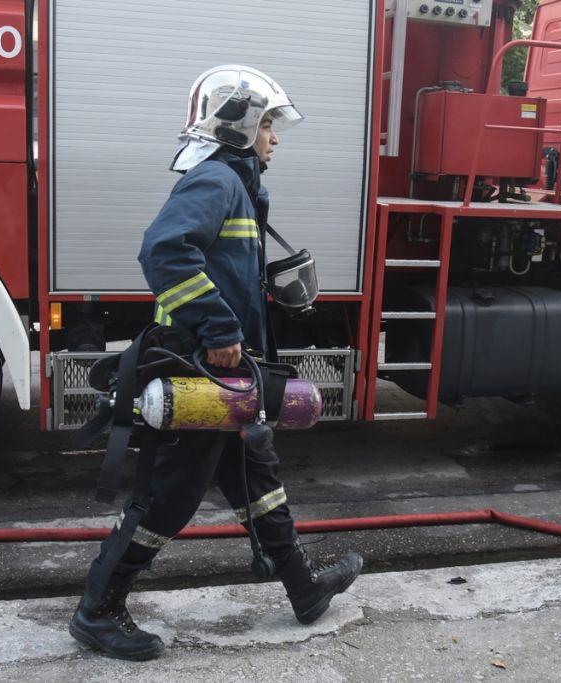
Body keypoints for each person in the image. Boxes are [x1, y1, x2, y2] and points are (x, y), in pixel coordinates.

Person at [69, 65, 363, 661]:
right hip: (196, 366)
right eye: (269, 125)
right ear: (240, 125)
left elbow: (220, 270)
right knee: (169, 497)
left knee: (258, 480)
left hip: (225, 370)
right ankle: (97, 611)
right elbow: (163, 252)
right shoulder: (216, 180)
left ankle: (303, 589)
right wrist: (220, 327)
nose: (275, 138)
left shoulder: (236, 186)